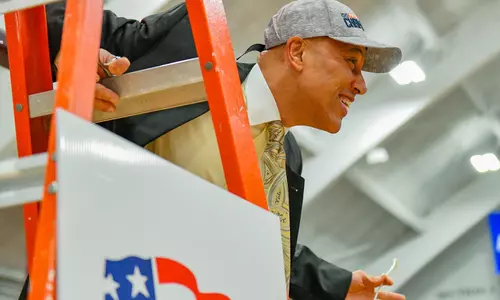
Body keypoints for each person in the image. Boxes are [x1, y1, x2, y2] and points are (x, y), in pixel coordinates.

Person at [15, 0, 405, 299]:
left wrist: (337, 285)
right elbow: (53, 17)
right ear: (297, 52)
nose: (361, 85)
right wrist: (74, 54)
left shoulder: (286, 154)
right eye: (352, 63)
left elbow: (250, 242)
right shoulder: (188, 52)